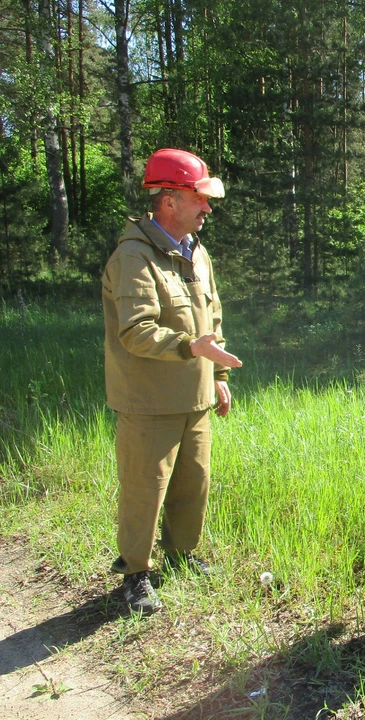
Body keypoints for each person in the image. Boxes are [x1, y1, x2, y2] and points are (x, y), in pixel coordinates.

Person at [102, 148, 242, 614]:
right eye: (198, 198)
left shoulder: (196, 253)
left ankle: (182, 554)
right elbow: (136, 331)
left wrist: (218, 375)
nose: (207, 208)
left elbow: (213, 317)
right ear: (169, 201)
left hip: (195, 394)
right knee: (146, 486)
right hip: (148, 400)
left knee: (193, 481)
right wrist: (191, 348)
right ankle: (135, 575)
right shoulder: (134, 256)